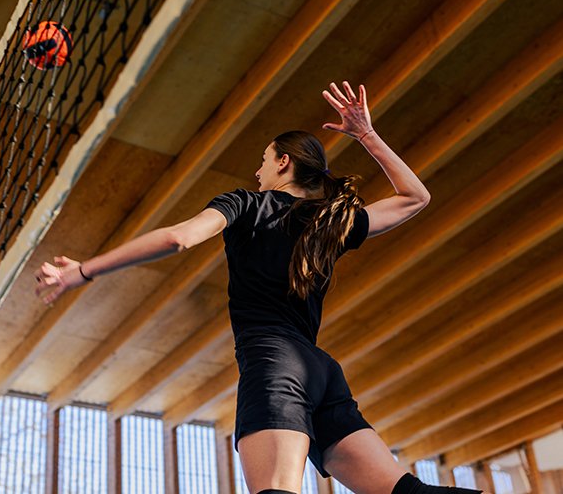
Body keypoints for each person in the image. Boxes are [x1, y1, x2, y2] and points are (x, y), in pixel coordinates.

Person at [34, 82, 482, 494]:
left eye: (264, 160)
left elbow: (179, 237)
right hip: (322, 372)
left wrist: (83, 270)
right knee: (408, 493)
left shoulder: (246, 204)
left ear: (283, 162)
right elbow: (415, 197)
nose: (258, 170)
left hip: (275, 363)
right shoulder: (331, 221)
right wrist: (367, 135)